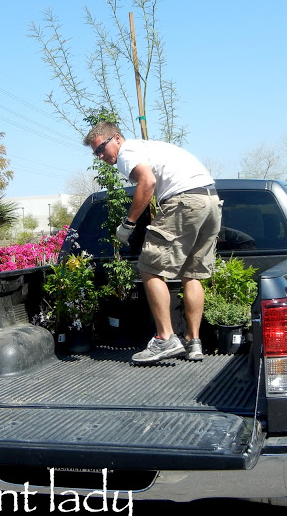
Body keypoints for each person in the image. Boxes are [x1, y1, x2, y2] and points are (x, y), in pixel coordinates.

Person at [83, 122, 222, 364]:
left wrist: (128, 224)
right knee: (193, 274)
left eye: (102, 149)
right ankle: (193, 340)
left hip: (183, 201)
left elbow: (147, 182)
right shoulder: (152, 147)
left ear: (116, 138)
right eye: (96, 153)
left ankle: (165, 337)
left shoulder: (127, 152)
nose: (101, 156)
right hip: (210, 201)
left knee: (149, 268)